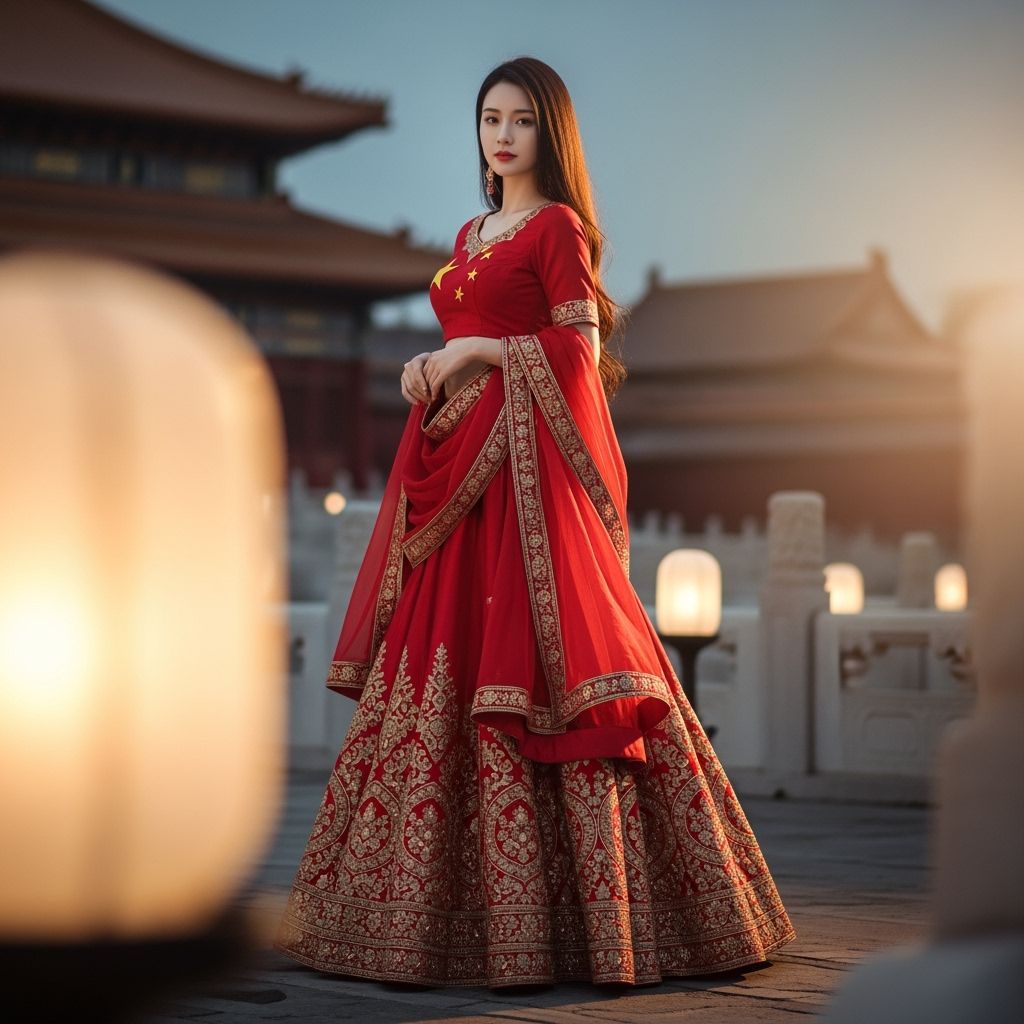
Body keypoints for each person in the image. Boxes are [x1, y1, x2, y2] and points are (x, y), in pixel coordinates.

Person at [275, 55, 796, 988]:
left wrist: (474, 347)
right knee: (440, 658)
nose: (502, 134)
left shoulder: (558, 227)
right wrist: (427, 368)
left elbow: (577, 352)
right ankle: (410, 920)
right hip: (453, 476)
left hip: (520, 486)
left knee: (543, 666)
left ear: (548, 134)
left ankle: (595, 920)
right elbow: (469, 339)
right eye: (489, 119)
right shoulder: (472, 232)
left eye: (520, 120)